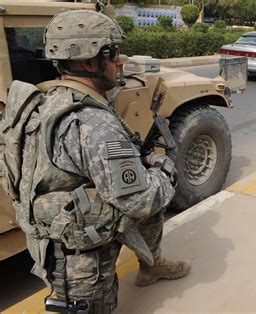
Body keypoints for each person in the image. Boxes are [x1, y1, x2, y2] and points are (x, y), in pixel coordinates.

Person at [8, 9, 191, 313]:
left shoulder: (47, 100)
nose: (121, 61)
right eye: (113, 53)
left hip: (53, 233)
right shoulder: (94, 124)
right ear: (88, 61)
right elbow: (139, 202)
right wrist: (164, 170)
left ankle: (151, 265)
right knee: (152, 187)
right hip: (80, 264)